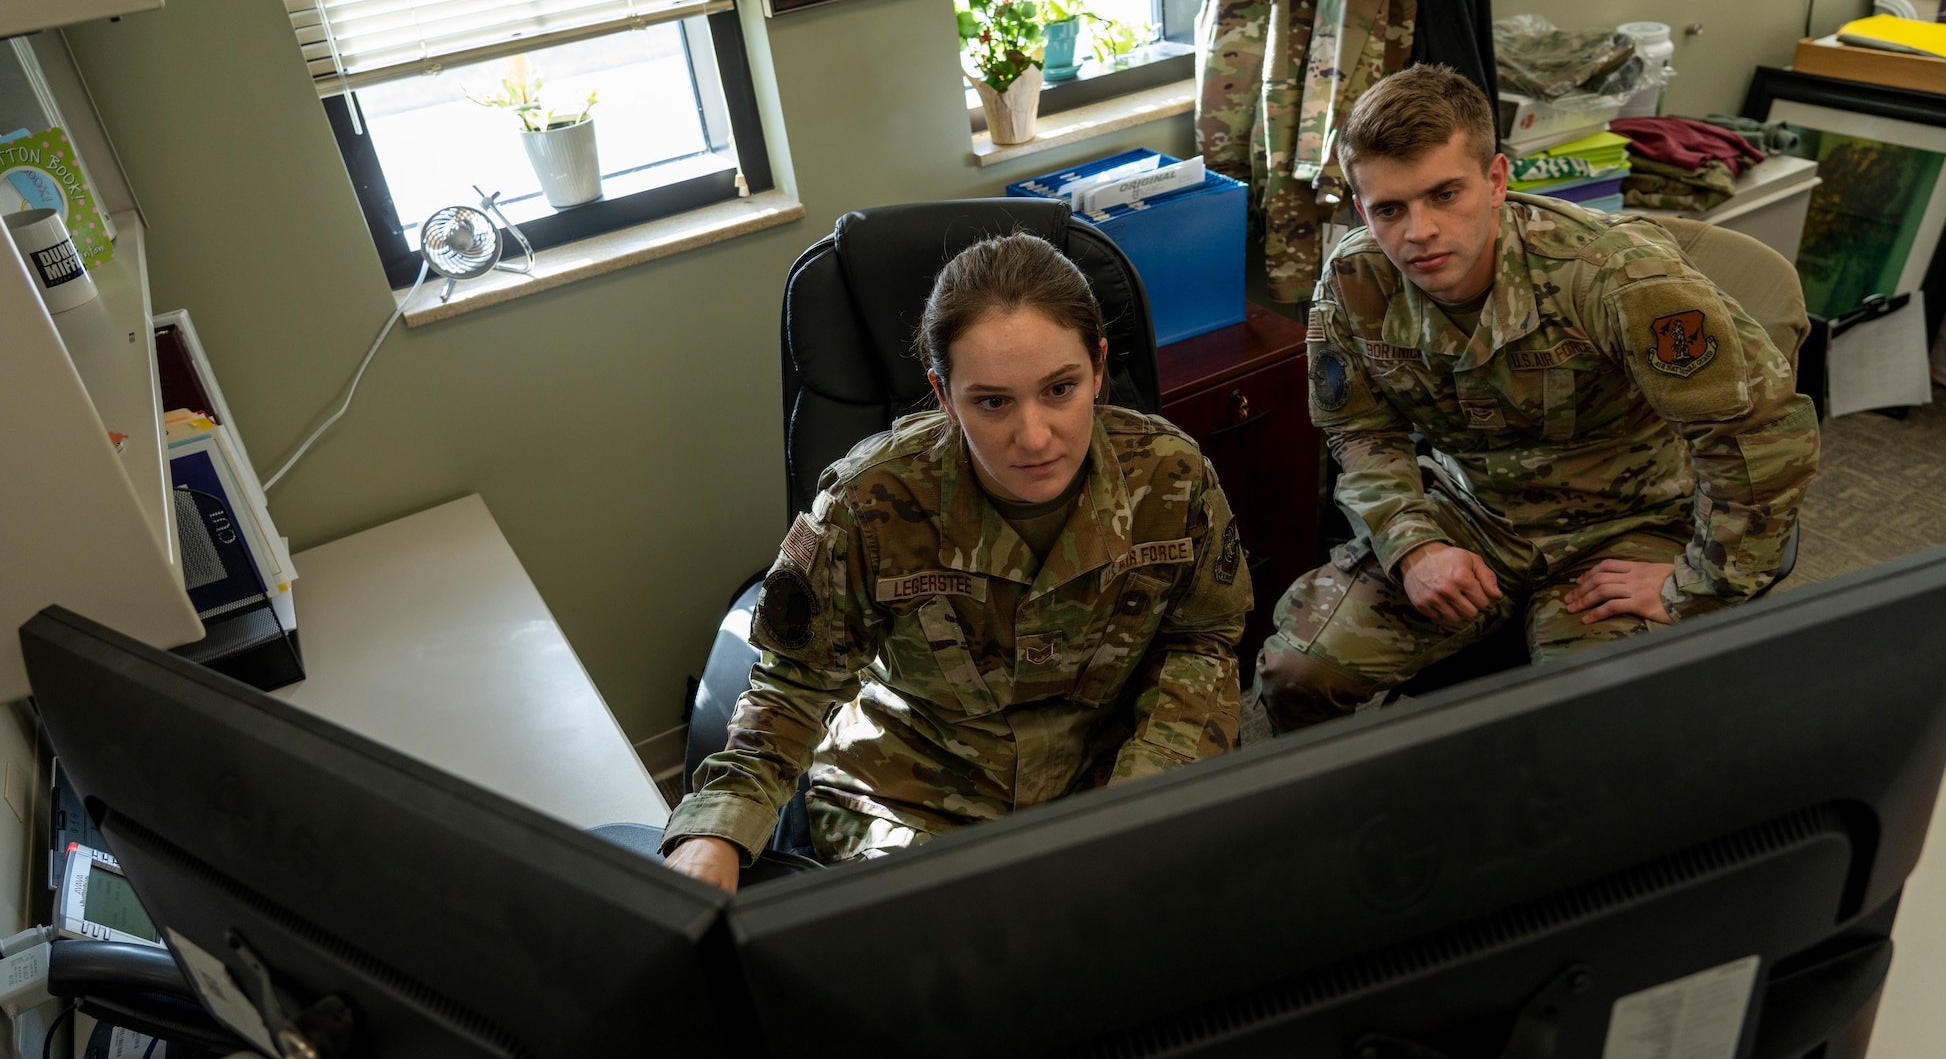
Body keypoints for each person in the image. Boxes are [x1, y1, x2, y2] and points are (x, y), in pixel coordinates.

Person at [663, 233, 1252, 892]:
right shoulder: (868, 503)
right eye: (993, 402)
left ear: (1098, 367)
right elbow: (793, 685)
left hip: (1102, 777)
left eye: (1060, 388)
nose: (1033, 437)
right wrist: (716, 827)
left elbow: (1201, 640)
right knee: (949, 954)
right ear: (943, 394)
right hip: (913, 797)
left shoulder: (1172, 478)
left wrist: (1145, 796)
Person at [1257, 64, 1819, 730]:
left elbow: (1760, 437)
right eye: (1390, 208)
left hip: (1627, 525)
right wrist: (1413, 544)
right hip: (1475, 515)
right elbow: (1360, 429)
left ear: (1496, 181)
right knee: (1298, 671)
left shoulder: (1613, 276)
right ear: (1362, 208)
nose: (1419, 231)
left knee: (1584, 719)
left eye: (1445, 194)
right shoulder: (1355, 280)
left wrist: (1696, 585)